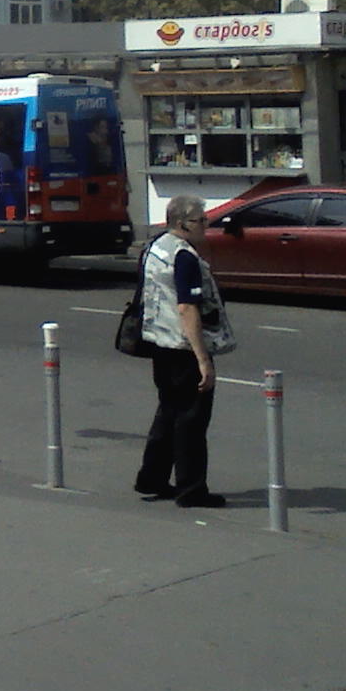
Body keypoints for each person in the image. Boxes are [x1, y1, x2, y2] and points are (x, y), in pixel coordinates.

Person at [134, 194, 235, 508]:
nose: (206, 224)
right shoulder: (184, 256)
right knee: (191, 419)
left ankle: (152, 478)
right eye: (200, 220)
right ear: (182, 223)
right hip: (182, 346)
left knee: (169, 412)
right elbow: (187, 308)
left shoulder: (155, 247)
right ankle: (191, 489)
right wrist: (203, 359)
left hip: (159, 342)